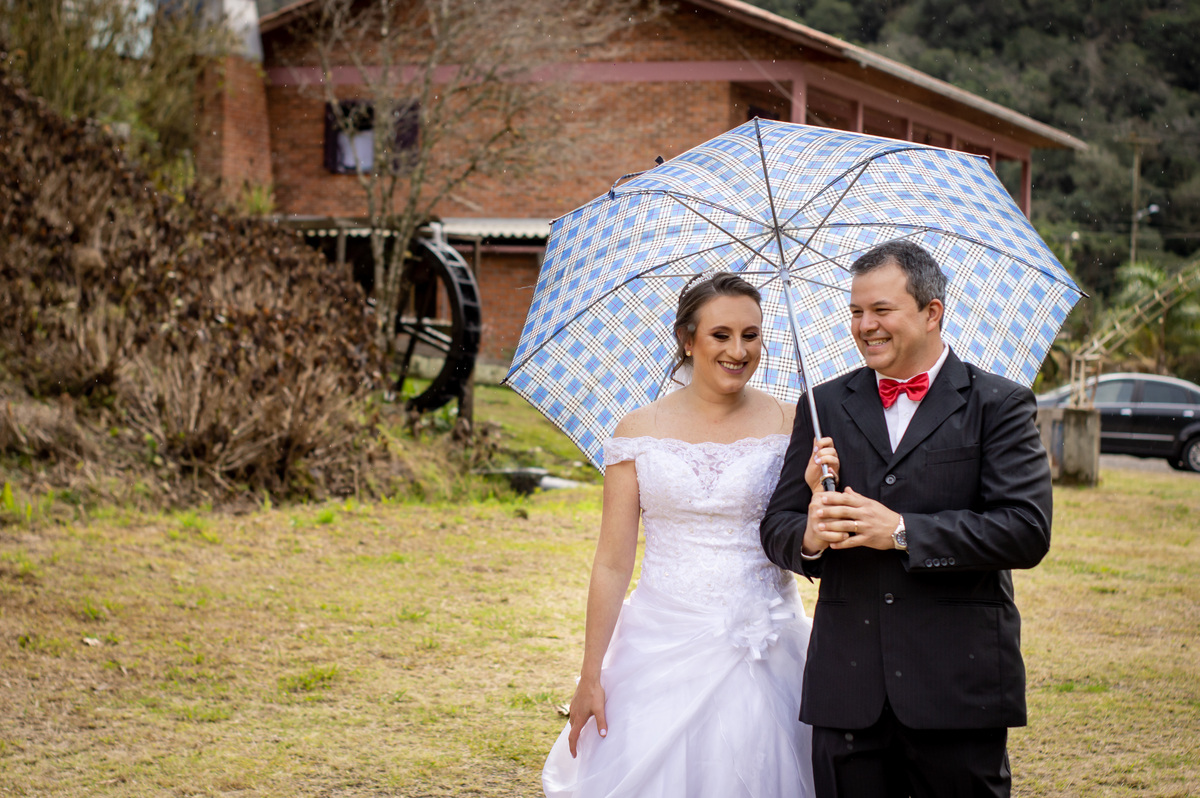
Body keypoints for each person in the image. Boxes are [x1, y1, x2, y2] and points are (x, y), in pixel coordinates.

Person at [760, 240, 1053, 798]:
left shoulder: (999, 403)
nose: (864, 325)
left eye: (880, 310)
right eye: (855, 312)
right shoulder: (821, 405)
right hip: (847, 689)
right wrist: (811, 535)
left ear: (931, 312)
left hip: (956, 687)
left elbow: (1025, 529)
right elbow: (777, 525)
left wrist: (899, 531)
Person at [543, 273, 833, 798]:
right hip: (661, 638)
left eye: (752, 335)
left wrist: (818, 493)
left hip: (767, 641)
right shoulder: (636, 430)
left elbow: (802, 539)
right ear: (687, 338)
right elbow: (612, 561)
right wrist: (591, 673)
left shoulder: (796, 423)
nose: (738, 350)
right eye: (721, 335)